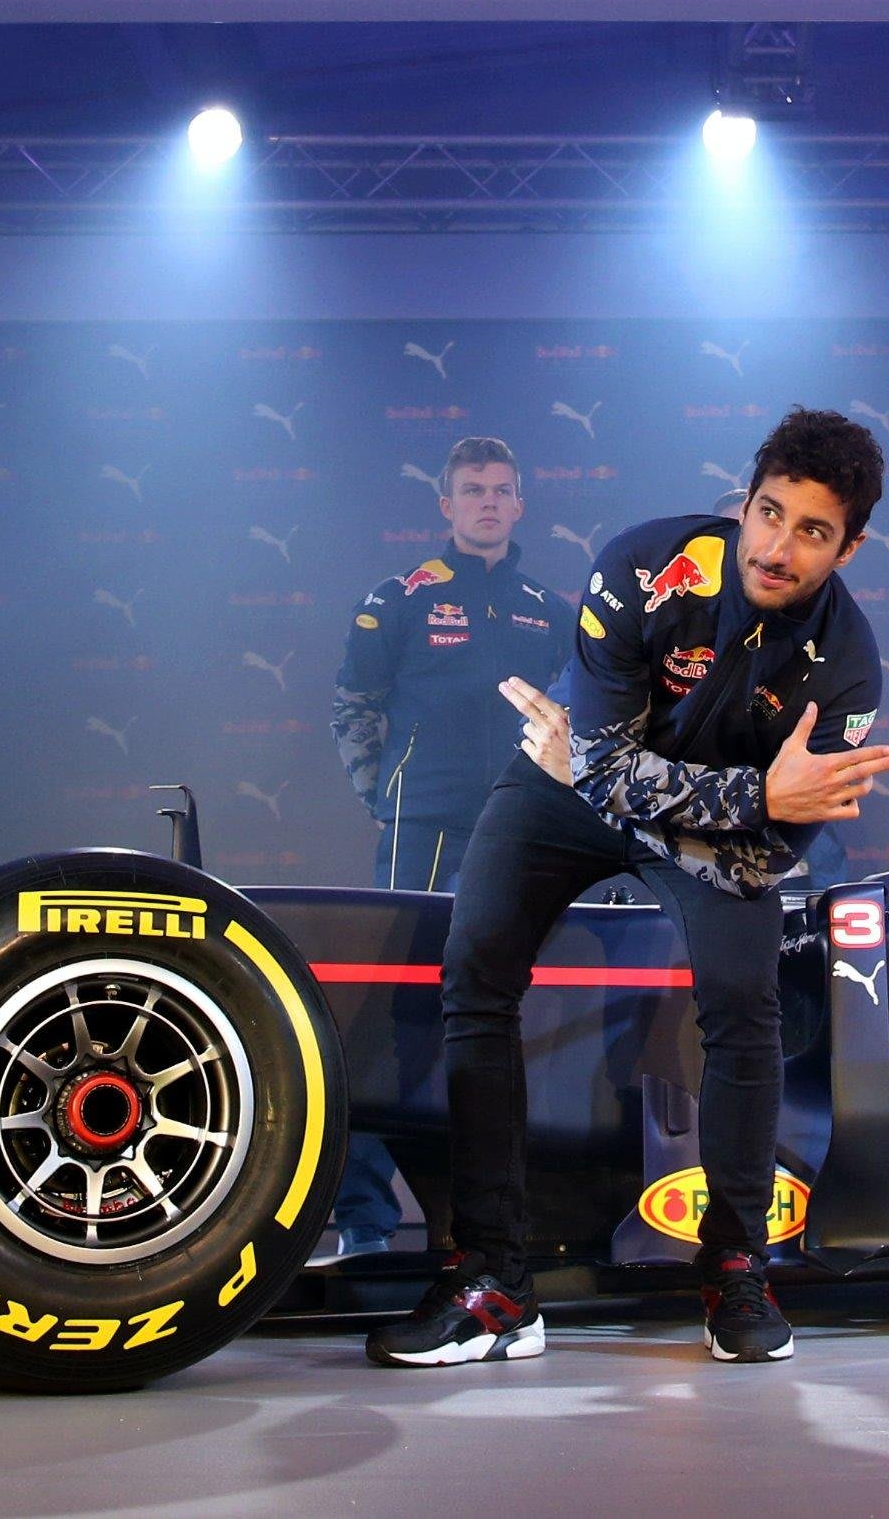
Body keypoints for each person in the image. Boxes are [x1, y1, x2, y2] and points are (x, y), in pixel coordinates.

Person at [368, 409, 889, 1370]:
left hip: (660, 810)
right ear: (745, 501)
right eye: (769, 513)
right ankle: (493, 1281)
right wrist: (753, 793)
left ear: (849, 547)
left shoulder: (850, 671)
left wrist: (685, 794)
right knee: (475, 969)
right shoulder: (643, 566)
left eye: (812, 532)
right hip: (563, 794)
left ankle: (735, 1265)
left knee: (744, 1001)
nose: (776, 549)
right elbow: (606, 776)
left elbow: (758, 859)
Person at [325, 435, 563, 1260]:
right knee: (394, 1015)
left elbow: (574, 721)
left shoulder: (549, 608)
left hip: (522, 827)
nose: (488, 502)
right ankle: (364, 1220)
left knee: (511, 1008)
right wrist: (386, 800)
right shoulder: (399, 598)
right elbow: (353, 706)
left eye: (500, 490)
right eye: (473, 490)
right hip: (422, 829)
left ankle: (503, 1221)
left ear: (519, 504)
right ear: (447, 505)